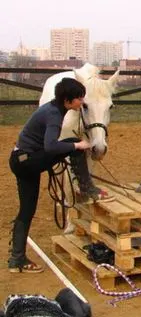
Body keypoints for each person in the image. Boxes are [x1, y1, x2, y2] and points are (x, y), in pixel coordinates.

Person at [8, 77, 112, 273]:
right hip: (28, 161)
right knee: (74, 143)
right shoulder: (55, 114)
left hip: (21, 160)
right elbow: (51, 146)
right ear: (67, 100)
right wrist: (77, 145)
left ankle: (17, 258)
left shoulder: (54, 108)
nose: (82, 102)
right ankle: (88, 188)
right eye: (79, 99)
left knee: (27, 210)